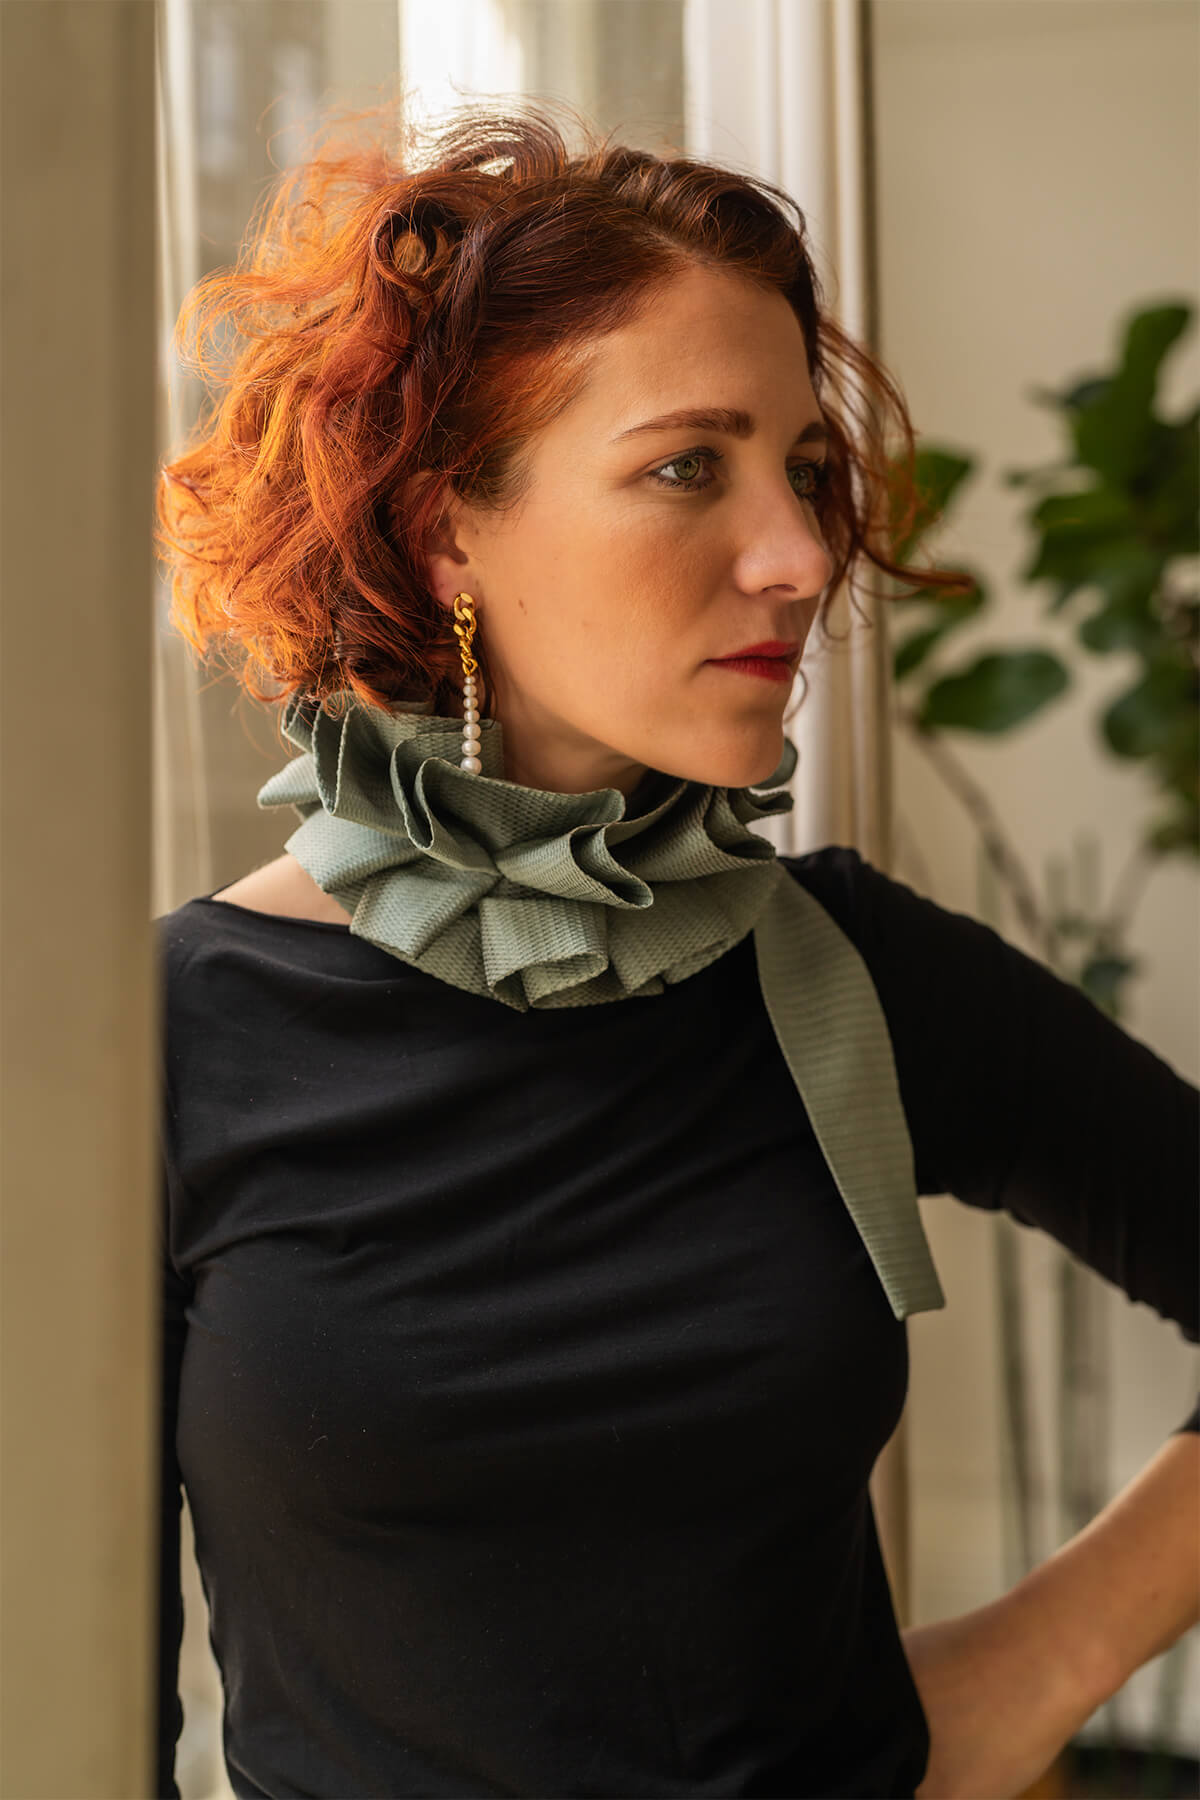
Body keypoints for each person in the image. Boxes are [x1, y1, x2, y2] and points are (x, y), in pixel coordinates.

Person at [153, 97, 1199, 1800]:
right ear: (447, 527)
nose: (799, 555)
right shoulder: (175, 1038)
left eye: (803, 470)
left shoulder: (848, 975)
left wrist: (1049, 1657)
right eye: (687, 466)